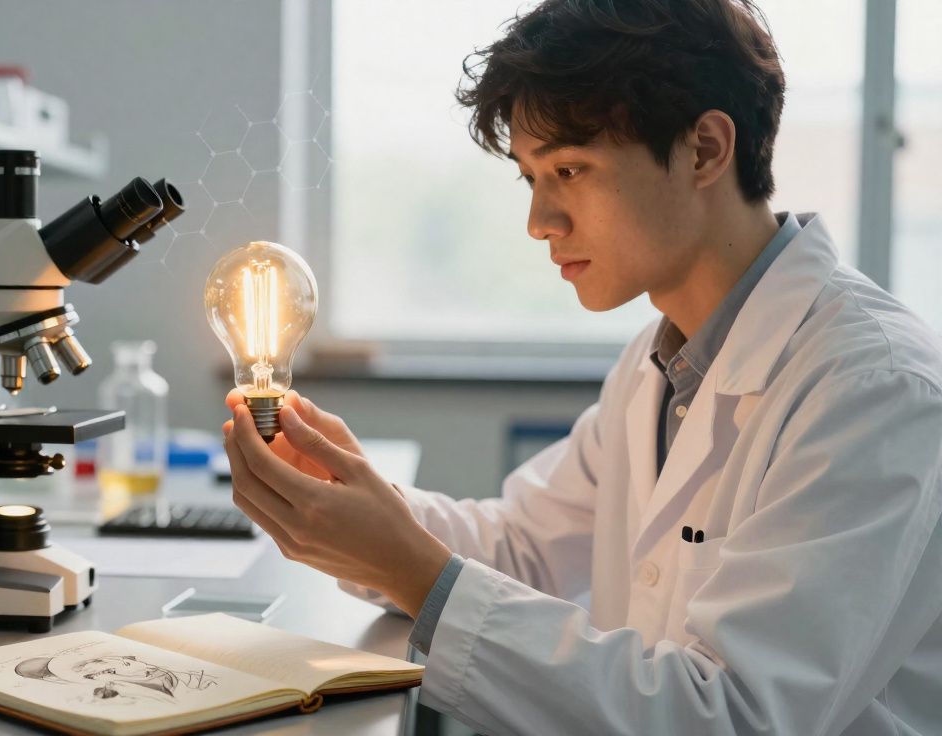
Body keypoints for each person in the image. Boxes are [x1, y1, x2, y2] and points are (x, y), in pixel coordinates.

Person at [220, 1, 942, 734]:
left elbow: (735, 716)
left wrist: (414, 570)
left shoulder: (872, 388)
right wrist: (352, 498)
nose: (540, 222)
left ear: (704, 150)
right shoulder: (660, 364)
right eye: (530, 178)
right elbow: (522, 550)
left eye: (569, 169)